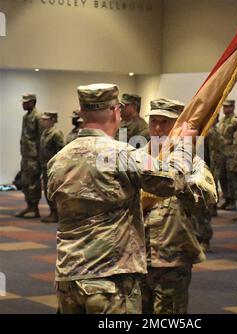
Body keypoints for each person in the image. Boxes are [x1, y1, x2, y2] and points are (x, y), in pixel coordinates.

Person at [47, 83, 200, 314]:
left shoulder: (58, 160)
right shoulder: (121, 155)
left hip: (68, 278)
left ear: (81, 112)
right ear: (116, 112)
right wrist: (185, 145)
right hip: (110, 281)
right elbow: (171, 181)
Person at [141, 98, 216, 314]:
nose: (156, 128)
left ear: (176, 126)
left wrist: (179, 179)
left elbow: (204, 203)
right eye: (153, 121)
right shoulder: (136, 157)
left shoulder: (192, 163)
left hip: (171, 253)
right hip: (135, 254)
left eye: (164, 122)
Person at [15, 93, 43, 219]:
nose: (23, 104)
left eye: (26, 102)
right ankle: (29, 206)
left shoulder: (38, 117)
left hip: (34, 156)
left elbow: (41, 138)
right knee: (25, 182)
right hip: (26, 154)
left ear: (33, 102)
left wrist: (40, 157)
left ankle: (35, 208)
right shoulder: (26, 117)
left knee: (33, 182)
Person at [40, 112, 64, 223]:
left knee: (53, 190)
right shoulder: (45, 132)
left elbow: (61, 150)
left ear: (52, 120)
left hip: (53, 167)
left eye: (46, 119)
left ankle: (56, 213)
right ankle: (52, 211)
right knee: (47, 189)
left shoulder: (56, 133)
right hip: (45, 165)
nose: (43, 121)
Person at [218, 99, 237, 210]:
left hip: (231, 153)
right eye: (224, 107)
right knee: (222, 177)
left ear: (233, 107)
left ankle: (233, 201)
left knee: (231, 178)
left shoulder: (235, 121)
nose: (225, 109)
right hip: (221, 153)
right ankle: (226, 198)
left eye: (227, 107)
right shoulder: (222, 120)